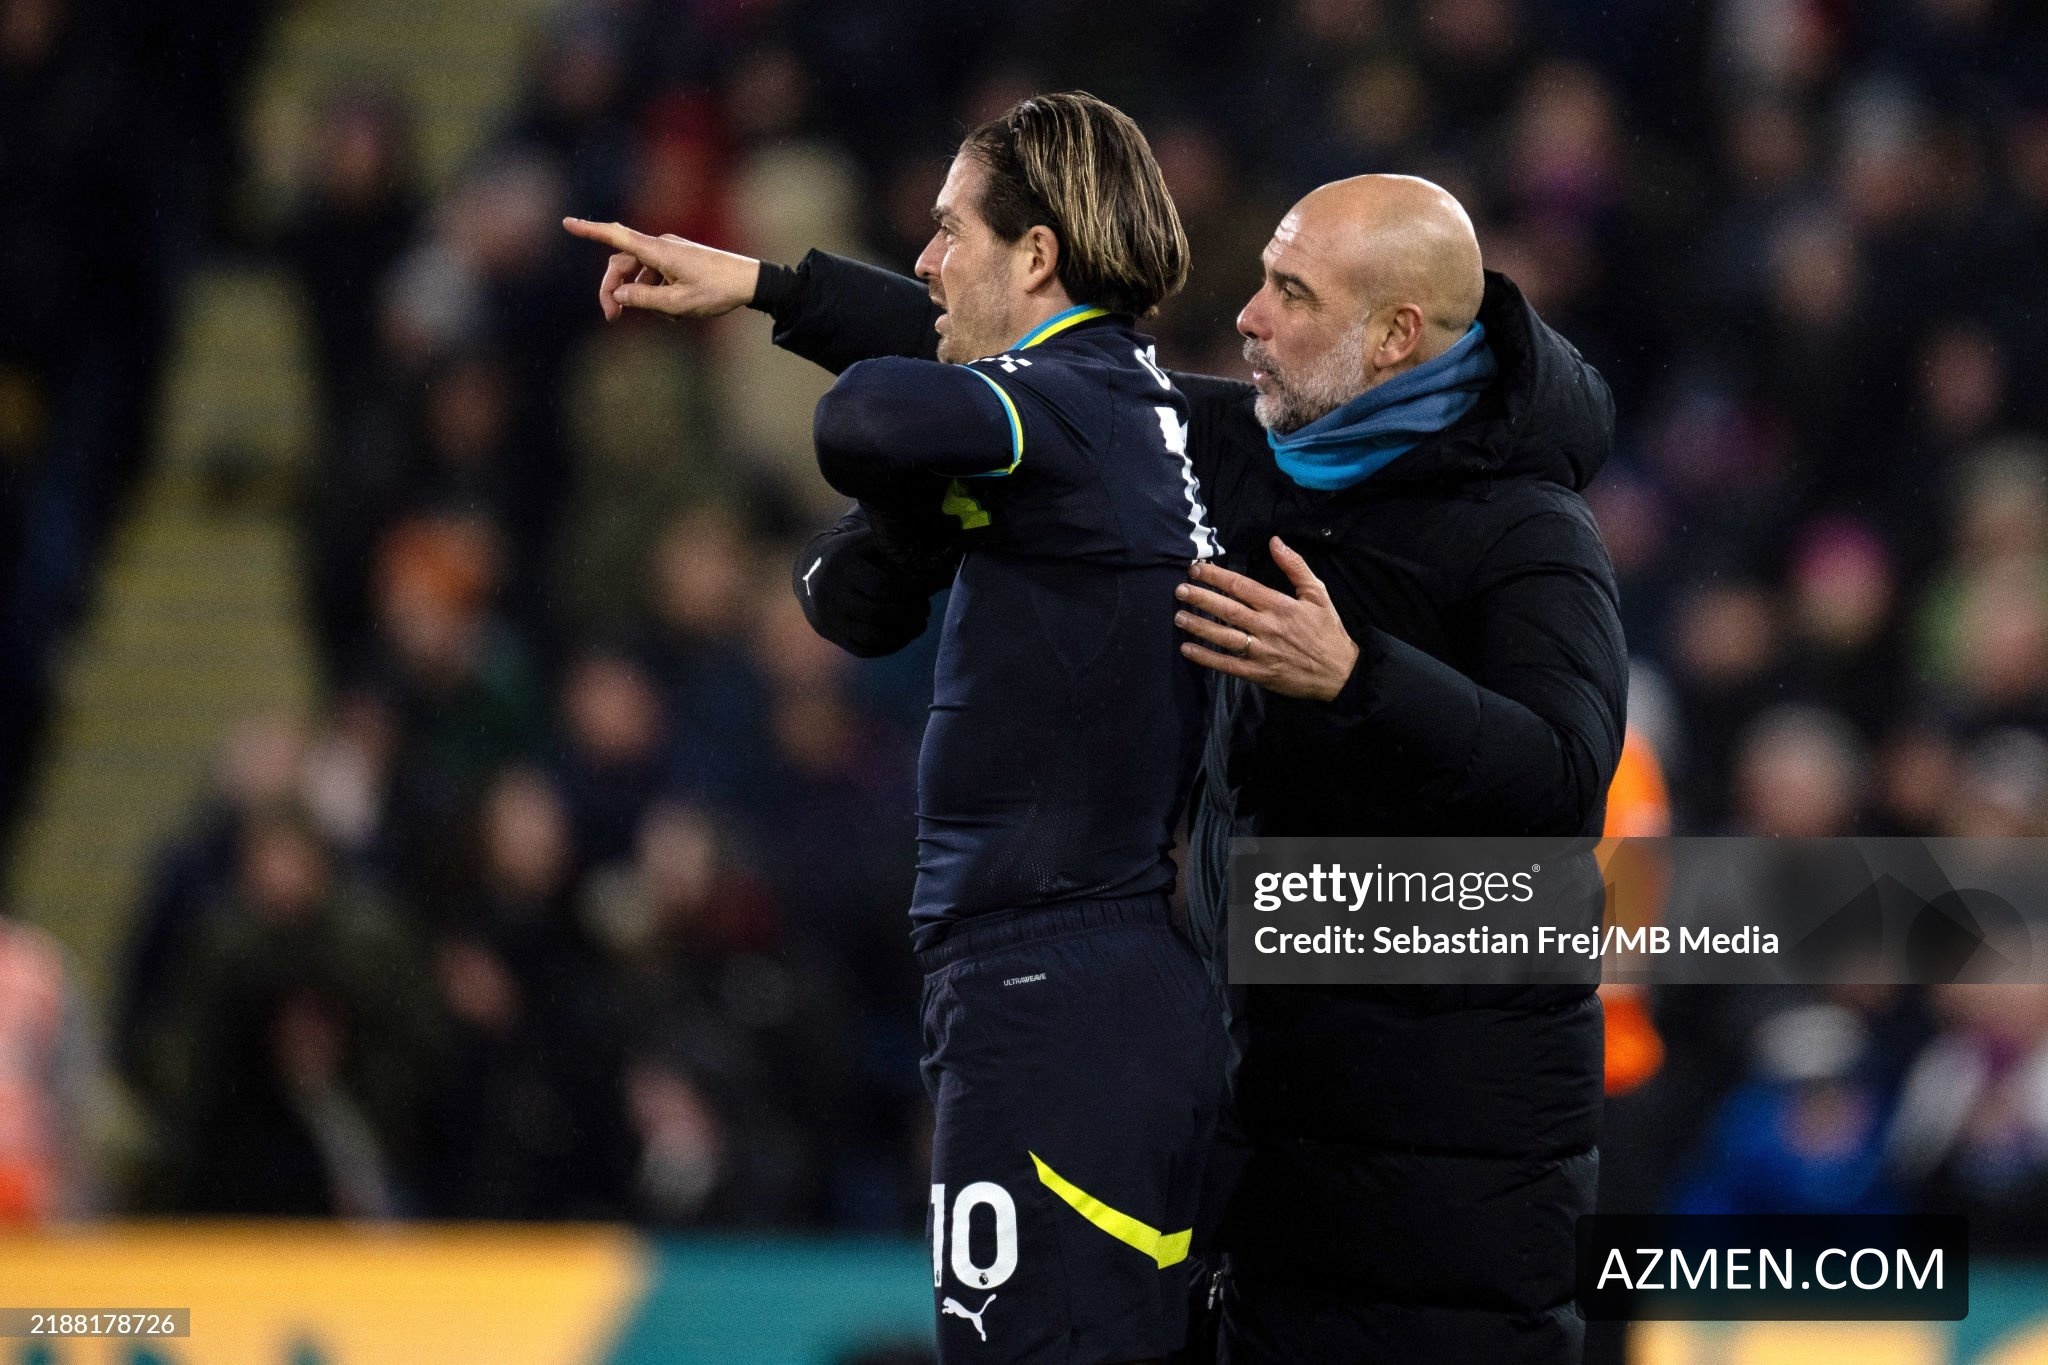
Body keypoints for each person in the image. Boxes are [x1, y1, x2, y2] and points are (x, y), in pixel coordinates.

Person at [596, 167, 1627, 1362]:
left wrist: (1355, 677)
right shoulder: (1256, 455)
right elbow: (1044, 379)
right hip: (1263, 1104)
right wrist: (770, 290)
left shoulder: (1530, 530)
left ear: (1395, 334)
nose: (1247, 316)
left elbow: (1563, 776)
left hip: (1456, 1143)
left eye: (1291, 294)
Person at [565, 92, 1227, 1365]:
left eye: (948, 230)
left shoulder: (1059, 406)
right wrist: (767, 288)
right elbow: (853, 580)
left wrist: (920, 505)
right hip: (1100, 974)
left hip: (1045, 983)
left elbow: (865, 416)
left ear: (1036, 255)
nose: (924, 262)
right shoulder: (1136, 410)